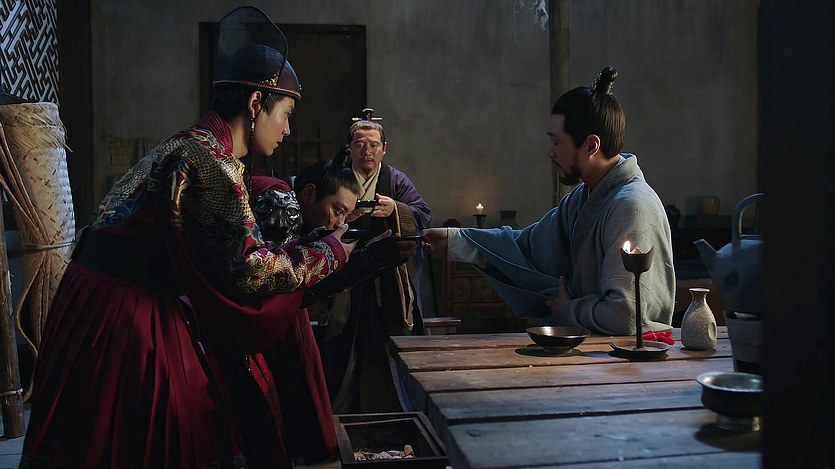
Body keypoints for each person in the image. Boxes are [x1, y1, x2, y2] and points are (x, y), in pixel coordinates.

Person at [19, 6, 354, 469]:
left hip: (90, 295)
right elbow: (249, 269)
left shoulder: (186, 144)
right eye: (286, 113)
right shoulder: (210, 163)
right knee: (181, 423)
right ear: (256, 103)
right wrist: (330, 251)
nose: (288, 129)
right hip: (124, 313)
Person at [422, 67, 675, 336]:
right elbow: (526, 247)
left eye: (557, 143)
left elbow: (626, 316)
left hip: (630, 356)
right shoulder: (581, 199)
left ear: (591, 146)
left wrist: (569, 310)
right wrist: (454, 240)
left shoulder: (632, 206)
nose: (551, 152)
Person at [312, 114, 431, 413]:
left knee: (387, 342)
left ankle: (392, 412)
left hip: (387, 276)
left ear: (384, 149)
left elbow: (423, 213)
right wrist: (343, 214)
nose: (367, 151)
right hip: (346, 272)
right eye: (360, 144)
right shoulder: (339, 178)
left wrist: (396, 209)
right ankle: (340, 412)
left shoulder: (395, 180)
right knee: (343, 343)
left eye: (374, 145)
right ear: (350, 148)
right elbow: (318, 213)